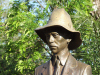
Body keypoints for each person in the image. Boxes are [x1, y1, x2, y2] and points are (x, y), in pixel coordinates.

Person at [35, 8, 92, 75]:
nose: (50, 40)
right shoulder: (38, 71)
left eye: (55, 35)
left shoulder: (83, 70)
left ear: (69, 37)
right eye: (48, 36)